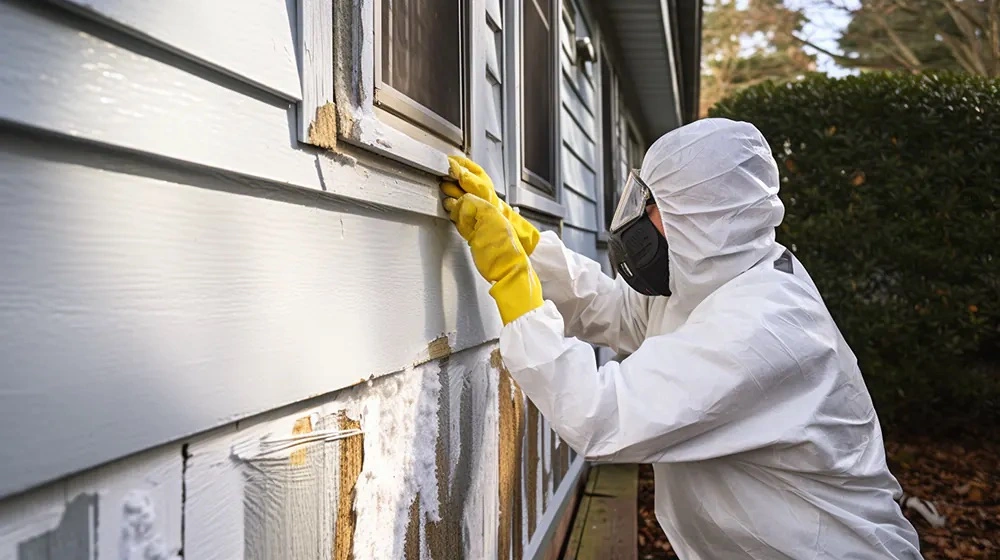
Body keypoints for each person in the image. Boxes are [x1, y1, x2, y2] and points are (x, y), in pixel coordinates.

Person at [440, 118, 923, 559]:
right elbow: (616, 312)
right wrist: (527, 243)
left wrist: (512, 285)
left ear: (700, 218)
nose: (634, 219)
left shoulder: (766, 324)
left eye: (649, 206)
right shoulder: (714, 273)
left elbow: (601, 417)